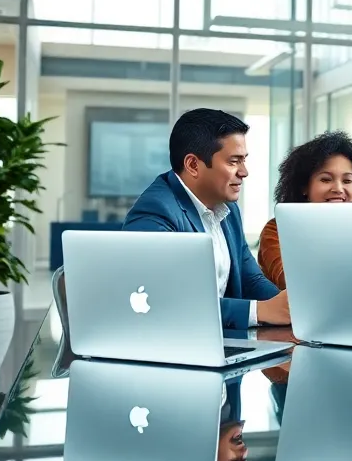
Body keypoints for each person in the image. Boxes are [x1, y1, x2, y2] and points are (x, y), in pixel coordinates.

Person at [123, 108, 288, 329]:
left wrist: (289, 307)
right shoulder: (155, 212)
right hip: (172, 347)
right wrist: (259, 311)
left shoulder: (228, 209)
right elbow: (166, 300)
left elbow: (251, 280)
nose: (244, 172)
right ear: (193, 165)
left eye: (244, 160)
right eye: (233, 161)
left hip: (220, 343)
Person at [257, 131, 352, 290]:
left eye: (347, 180)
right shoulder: (277, 230)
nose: (339, 189)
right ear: (304, 186)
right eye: (326, 179)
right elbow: (290, 283)